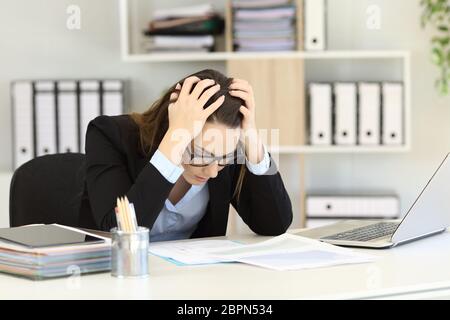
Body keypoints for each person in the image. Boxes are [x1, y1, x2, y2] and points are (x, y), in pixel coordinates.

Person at [78, 69, 292, 241]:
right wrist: (174, 139)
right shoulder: (109, 134)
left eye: (223, 159)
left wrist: (251, 137)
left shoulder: (223, 148)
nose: (212, 172)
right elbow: (119, 232)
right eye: (201, 154)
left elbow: (275, 225)